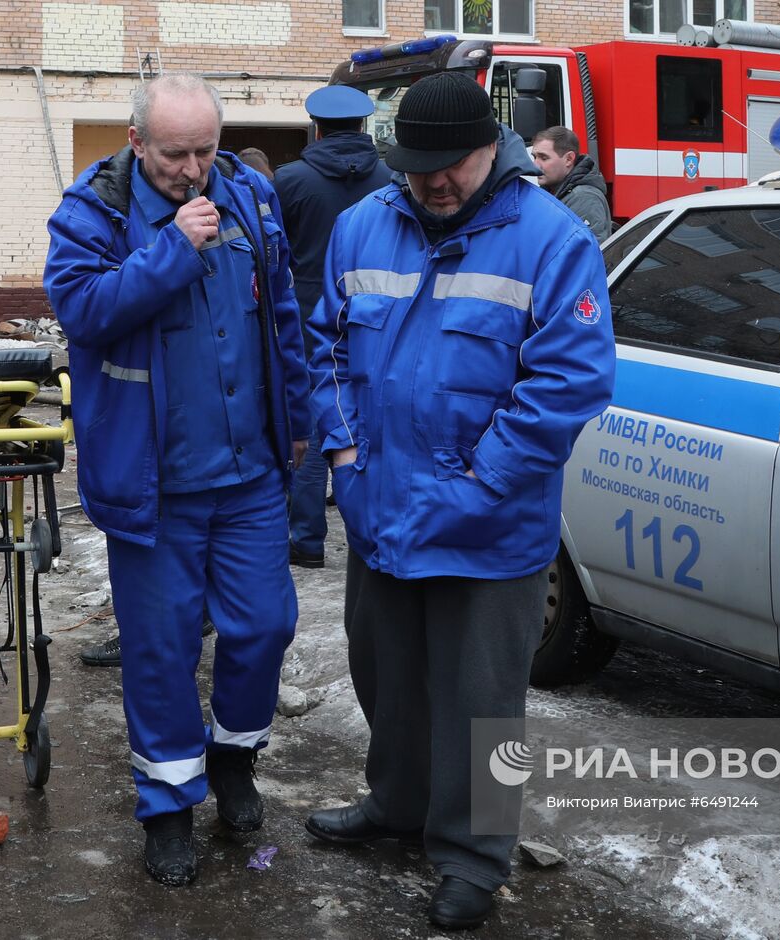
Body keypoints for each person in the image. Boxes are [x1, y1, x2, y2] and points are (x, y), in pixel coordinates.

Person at [304, 73, 615, 930]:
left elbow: (568, 384)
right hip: (378, 508)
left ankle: (477, 856)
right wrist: (342, 453)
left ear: (494, 151)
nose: (433, 182)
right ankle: (397, 803)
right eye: (417, 167)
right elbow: (323, 345)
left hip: (491, 523)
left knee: (483, 704)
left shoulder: (552, 241)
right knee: (387, 680)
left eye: (453, 165)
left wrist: (475, 485)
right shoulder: (364, 226)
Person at [43, 73, 309, 887]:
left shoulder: (251, 196)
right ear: (135, 143)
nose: (193, 170)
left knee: (264, 626)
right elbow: (82, 312)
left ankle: (233, 758)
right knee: (159, 653)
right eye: (174, 155)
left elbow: (283, 311)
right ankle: (166, 809)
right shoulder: (91, 213)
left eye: (205, 150)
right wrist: (172, 248)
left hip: (249, 474)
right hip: (154, 481)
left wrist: (296, 421)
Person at [273, 85, 392, 570]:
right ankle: (373, 528)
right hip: (373, 313)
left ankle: (305, 538)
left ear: (316, 128)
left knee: (314, 417)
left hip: (305, 314)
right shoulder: (391, 177)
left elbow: (272, 253)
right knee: (370, 416)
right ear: (363, 127)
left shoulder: (289, 180)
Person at [529, 126, 611, 242]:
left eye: (544, 158)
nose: (535, 165)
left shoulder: (585, 198)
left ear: (569, 159)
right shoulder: (554, 192)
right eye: (534, 157)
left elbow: (586, 253)